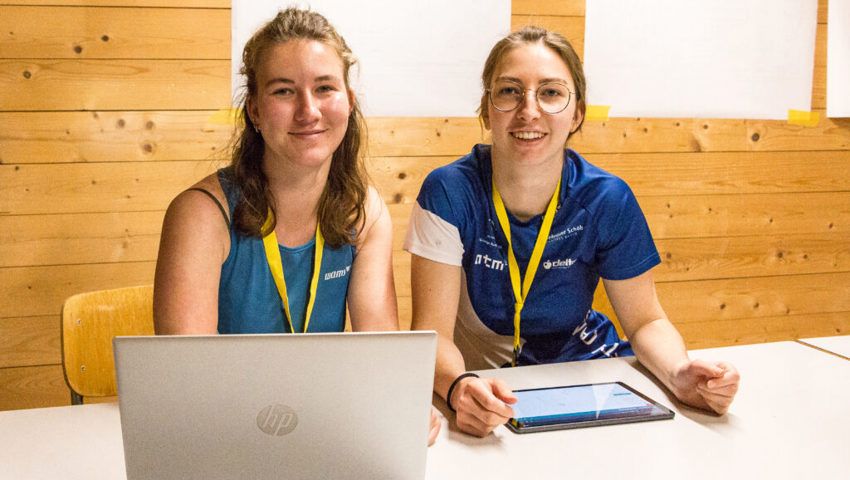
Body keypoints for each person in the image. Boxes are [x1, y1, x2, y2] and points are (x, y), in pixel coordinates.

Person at [405, 26, 740, 438]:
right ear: (486, 108)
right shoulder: (448, 192)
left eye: (550, 93)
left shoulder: (606, 198)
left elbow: (646, 321)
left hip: (588, 373)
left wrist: (678, 373)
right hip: (493, 388)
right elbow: (432, 333)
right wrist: (458, 388)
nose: (529, 110)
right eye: (510, 91)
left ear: (577, 112)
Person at [153, 8, 439, 445]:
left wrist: (404, 405)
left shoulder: (364, 211)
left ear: (349, 100)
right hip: (224, 438)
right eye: (284, 91)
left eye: (325, 88)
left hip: (318, 430)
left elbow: (380, 361)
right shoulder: (201, 215)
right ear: (253, 109)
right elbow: (189, 388)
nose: (309, 111)